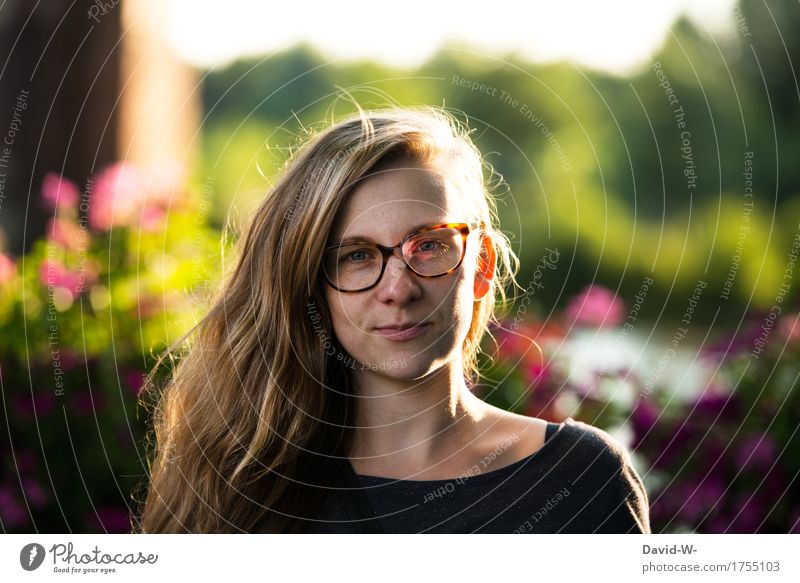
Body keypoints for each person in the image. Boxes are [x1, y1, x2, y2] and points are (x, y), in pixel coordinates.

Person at [137, 106, 651, 534]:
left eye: (429, 246)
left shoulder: (583, 480)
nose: (399, 289)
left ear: (482, 266)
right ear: (312, 285)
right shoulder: (239, 491)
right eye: (356, 256)